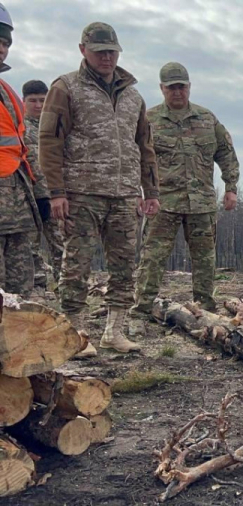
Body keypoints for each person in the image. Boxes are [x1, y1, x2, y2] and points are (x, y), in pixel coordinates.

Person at [40, 22, 159, 354]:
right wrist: (57, 191)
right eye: (100, 51)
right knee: (76, 264)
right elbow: (49, 142)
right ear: (83, 50)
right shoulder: (65, 88)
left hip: (123, 194)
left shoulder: (133, 95)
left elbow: (145, 146)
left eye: (112, 52)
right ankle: (76, 334)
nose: (107, 58)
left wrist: (151, 191)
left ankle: (114, 331)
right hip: (81, 192)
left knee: (125, 266)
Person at [132, 62, 240, 317]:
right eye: (171, 87)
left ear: (189, 87)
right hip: (162, 202)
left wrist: (231, 187)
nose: (177, 92)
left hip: (200, 202)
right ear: (162, 88)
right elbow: (135, 157)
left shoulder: (207, 119)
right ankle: (143, 307)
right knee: (153, 256)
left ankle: (204, 307)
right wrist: (138, 191)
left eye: (181, 86)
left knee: (204, 259)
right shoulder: (149, 120)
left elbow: (226, 153)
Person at [0, 3, 40, 296]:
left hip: (14, 200)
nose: (2, 49)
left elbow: (20, 149)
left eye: (5, 43)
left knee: (18, 287)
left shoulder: (8, 90)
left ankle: (17, 339)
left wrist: (39, 195)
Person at [22, 79, 63, 290]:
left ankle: (65, 289)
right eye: (33, 101)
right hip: (28, 197)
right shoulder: (18, 128)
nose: (38, 105)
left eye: (42, 100)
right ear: (24, 102)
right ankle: (38, 287)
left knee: (61, 245)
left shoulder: (57, 127)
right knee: (31, 246)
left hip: (56, 195)